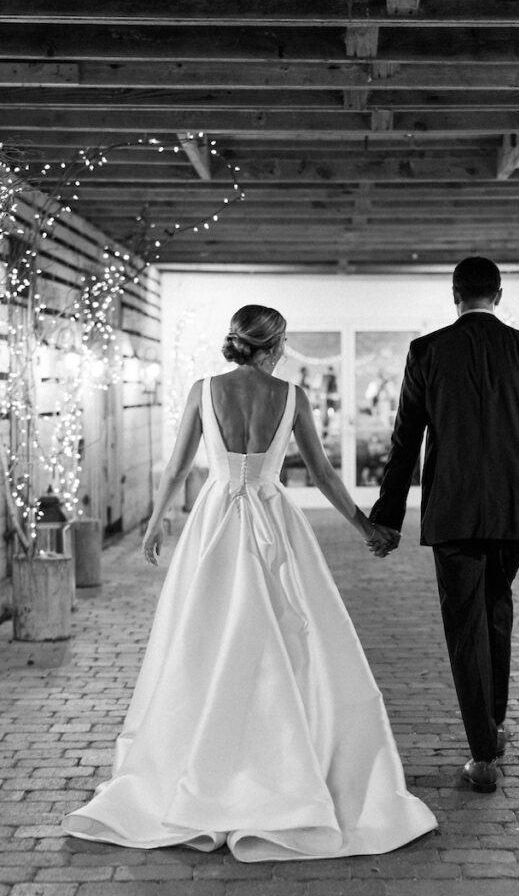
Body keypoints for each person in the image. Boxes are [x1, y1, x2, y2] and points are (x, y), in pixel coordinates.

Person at [63, 304, 436, 860]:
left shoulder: (202, 390)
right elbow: (323, 473)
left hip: (213, 522)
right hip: (274, 520)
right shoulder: (292, 397)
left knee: (203, 639)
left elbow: (175, 467)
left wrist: (154, 523)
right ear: (276, 344)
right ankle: (281, 761)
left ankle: (201, 764)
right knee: (287, 641)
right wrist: (364, 526)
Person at [369, 257, 519, 794]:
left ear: (455, 295)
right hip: (514, 512)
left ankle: (482, 754)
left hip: (453, 514)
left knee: (465, 625)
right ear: (497, 294)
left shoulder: (427, 351)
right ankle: (493, 723)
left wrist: (388, 519)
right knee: (496, 610)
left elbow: (406, 443)